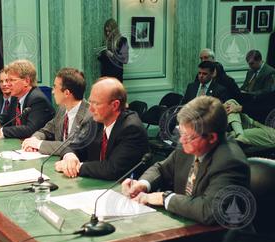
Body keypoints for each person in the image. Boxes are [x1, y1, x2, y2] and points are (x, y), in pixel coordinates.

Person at [121, 96, 250, 225]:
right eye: (181, 132)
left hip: (219, 239)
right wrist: (143, 184)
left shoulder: (230, 162)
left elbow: (209, 211)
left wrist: (164, 198)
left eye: (188, 136)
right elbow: (161, 169)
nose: (182, 141)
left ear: (211, 137)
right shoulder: (189, 143)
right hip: (184, 224)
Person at [55, 77, 150, 181]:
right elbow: (74, 145)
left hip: (123, 191)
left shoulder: (131, 129)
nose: (90, 109)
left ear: (115, 105)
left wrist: (77, 167)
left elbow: (113, 169)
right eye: (90, 102)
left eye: (96, 103)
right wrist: (70, 157)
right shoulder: (96, 121)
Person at [0, 59, 55, 139]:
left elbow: (30, 129)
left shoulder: (37, 99)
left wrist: (0, 131)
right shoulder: (15, 98)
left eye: (11, 80)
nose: (8, 84)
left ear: (26, 81)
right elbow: (6, 118)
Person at [21, 67, 91, 155]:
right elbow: (46, 130)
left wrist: (38, 144)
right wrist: (34, 139)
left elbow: (73, 146)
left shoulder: (89, 115)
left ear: (66, 93)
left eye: (55, 87)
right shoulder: (62, 109)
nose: (53, 92)